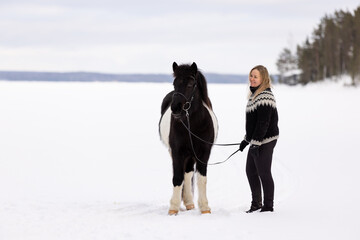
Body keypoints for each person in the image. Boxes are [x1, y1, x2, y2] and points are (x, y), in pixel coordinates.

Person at [239, 65, 279, 213]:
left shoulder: (265, 96)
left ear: (263, 79)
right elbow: (253, 124)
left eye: (255, 76)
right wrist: (246, 139)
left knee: (264, 172)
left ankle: (268, 206)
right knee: (250, 171)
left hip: (266, 139)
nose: (252, 79)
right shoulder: (254, 95)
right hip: (257, 139)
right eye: (251, 75)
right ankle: (256, 203)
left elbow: (263, 123)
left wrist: (255, 144)